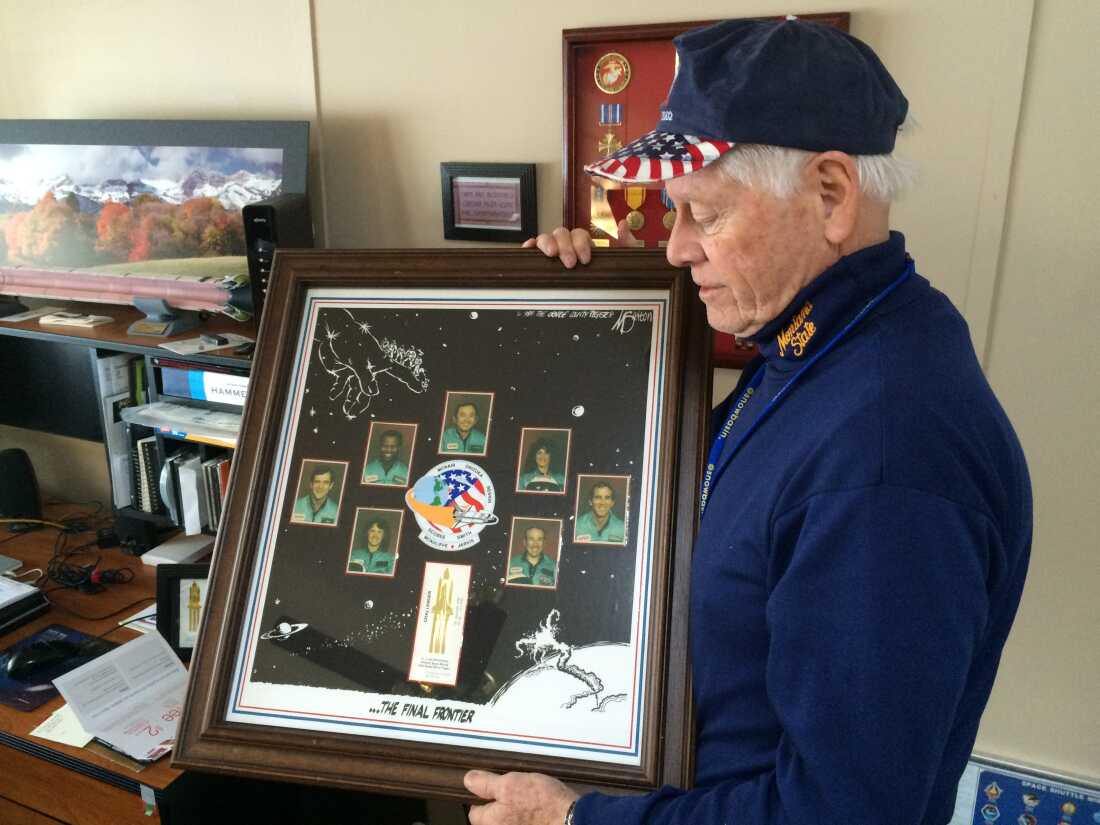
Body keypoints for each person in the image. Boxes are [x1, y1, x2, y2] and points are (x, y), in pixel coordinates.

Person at [464, 18, 1031, 825]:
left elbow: (841, 814)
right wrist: (574, 311)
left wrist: (572, 820)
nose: (676, 248)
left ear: (831, 195)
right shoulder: (820, 345)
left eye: (705, 212)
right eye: (671, 212)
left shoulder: (886, 452)